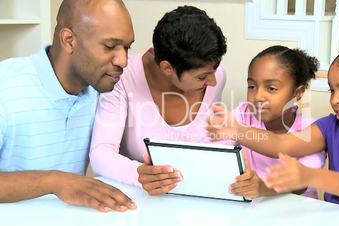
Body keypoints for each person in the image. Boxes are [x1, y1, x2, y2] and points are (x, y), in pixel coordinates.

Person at [207, 42, 339, 218]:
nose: (335, 99)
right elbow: (281, 144)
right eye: (332, 90)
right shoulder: (329, 126)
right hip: (335, 218)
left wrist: (310, 175)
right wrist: (238, 130)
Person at [0, 0, 136, 212]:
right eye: (110, 46)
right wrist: (54, 182)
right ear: (69, 40)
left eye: (127, 47)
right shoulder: (6, 86)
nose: (123, 60)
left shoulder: (101, 90)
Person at [89, 6, 227, 196]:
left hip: (199, 197)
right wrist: (139, 175)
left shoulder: (215, 76)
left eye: (214, 71)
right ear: (167, 68)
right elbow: (100, 154)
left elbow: (213, 143)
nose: (213, 81)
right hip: (141, 199)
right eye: (202, 77)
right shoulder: (122, 79)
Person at [227, 46, 325, 199]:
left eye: (271, 88)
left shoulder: (312, 129)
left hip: (298, 211)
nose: (258, 96)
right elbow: (217, 151)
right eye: (252, 86)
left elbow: (301, 182)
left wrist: (263, 187)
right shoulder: (243, 114)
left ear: (297, 93)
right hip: (251, 208)